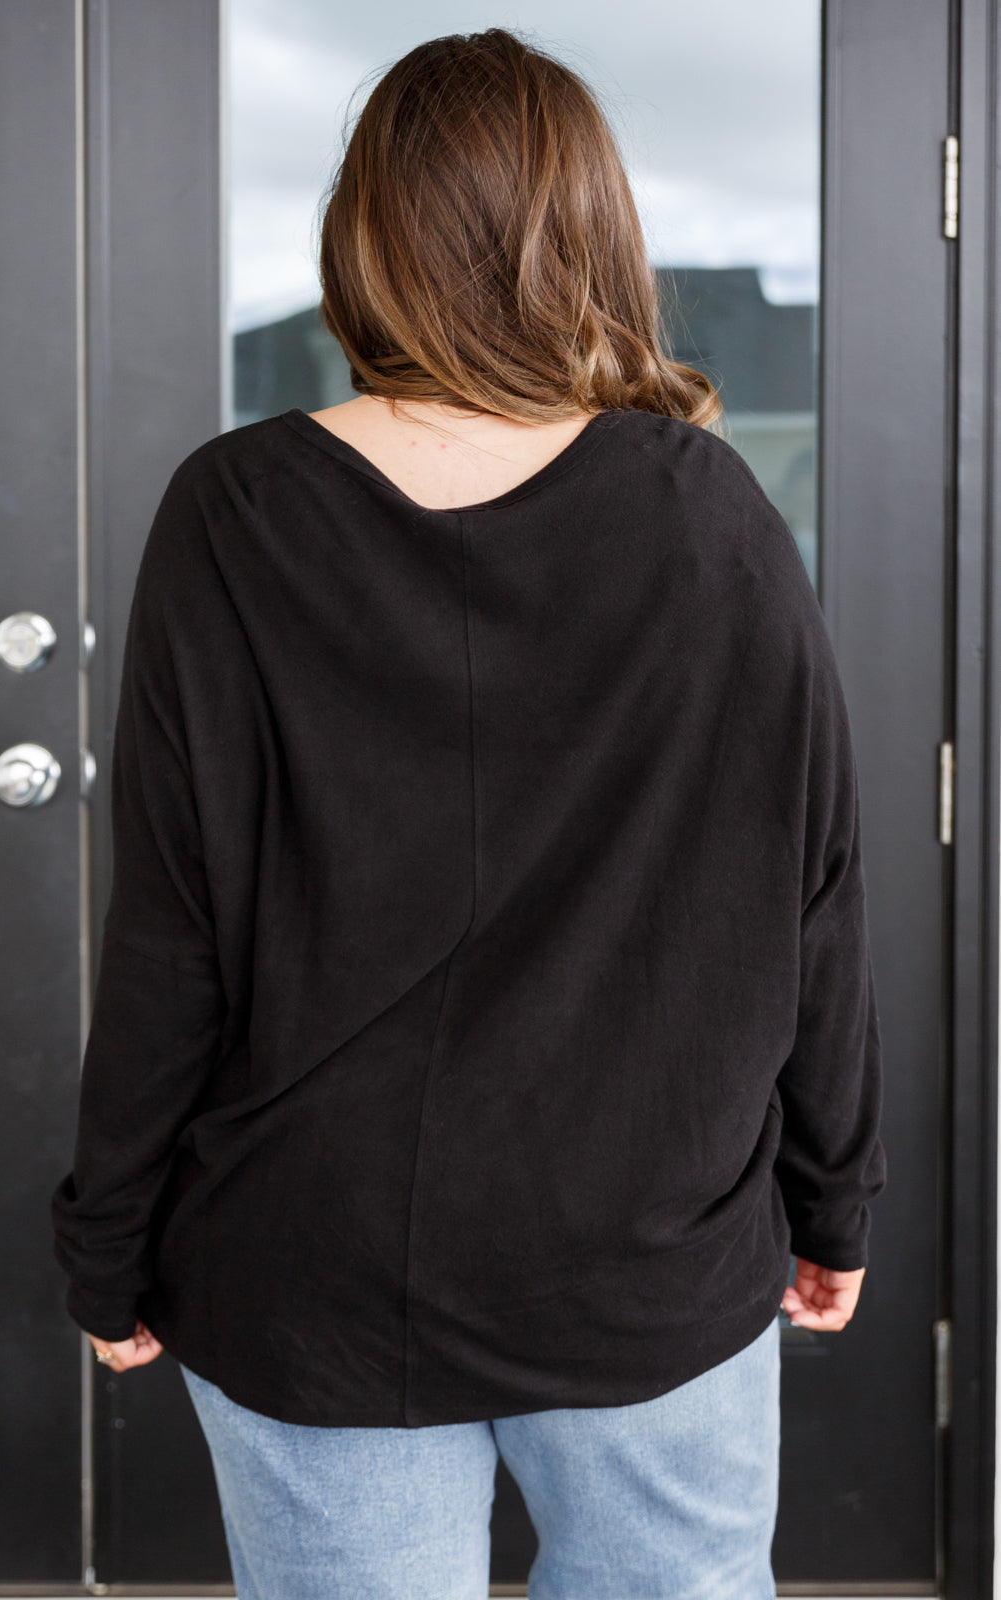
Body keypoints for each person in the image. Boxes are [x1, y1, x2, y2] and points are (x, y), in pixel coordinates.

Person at [50, 26, 886, 1600]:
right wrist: (833, 1196)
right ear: (592, 241)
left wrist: (109, 1238)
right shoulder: (712, 516)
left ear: (362, 240)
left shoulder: (233, 512)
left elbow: (172, 929)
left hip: (314, 1258)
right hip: (647, 1252)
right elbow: (812, 894)